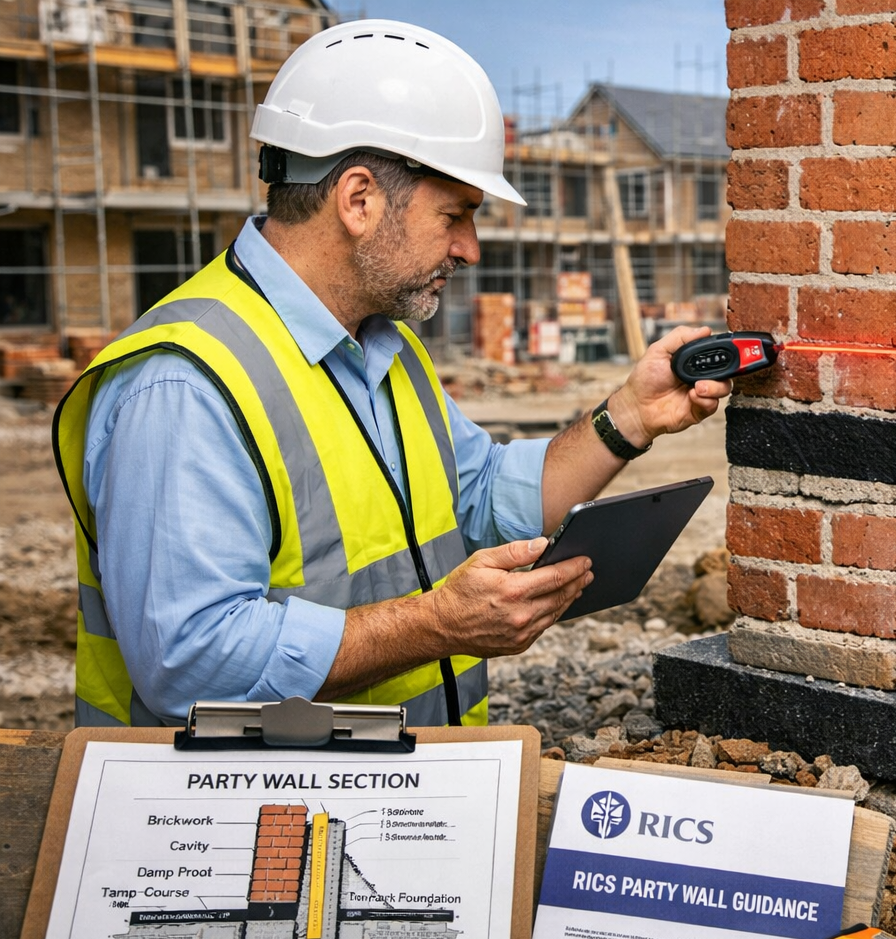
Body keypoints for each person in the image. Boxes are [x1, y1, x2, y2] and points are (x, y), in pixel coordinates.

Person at [53, 19, 730, 728]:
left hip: (394, 800)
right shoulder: (183, 385)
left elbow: (487, 502)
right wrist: (437, 623)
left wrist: (630, 416)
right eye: (455, 215)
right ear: (358, 199)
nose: (470, 249)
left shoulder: (385, 348)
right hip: (247, 822)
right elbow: (190, 663)